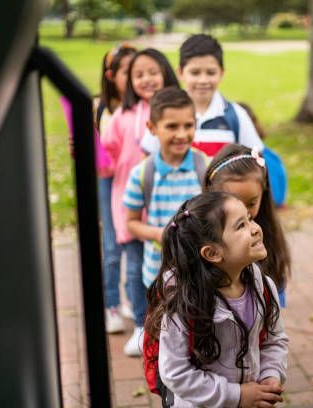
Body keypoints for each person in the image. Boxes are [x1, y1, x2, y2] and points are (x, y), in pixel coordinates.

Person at [145, 192, 289, 407]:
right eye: (241, 226)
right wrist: (236, 396)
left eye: (249, 218)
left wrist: (270, 375)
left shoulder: (264, 287)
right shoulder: (184, 304)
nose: (256, 228)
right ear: (212, 253)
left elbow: (274, 339)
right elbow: (176, 373)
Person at [101, 48, 179, 357]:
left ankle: (175, 325)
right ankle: (140, 327)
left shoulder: (176, 110)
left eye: (152, 72)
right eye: (138, 74)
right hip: (131, 206)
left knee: (172, 268)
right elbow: (106, 164)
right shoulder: (122, 117)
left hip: (167, 204)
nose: (146, 79)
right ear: (129, 82)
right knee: (135, 269)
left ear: (165, 73)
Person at [123, 87, 205, 289]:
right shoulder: (142, 174)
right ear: (152, 128)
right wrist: (157, 233)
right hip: (158, 275)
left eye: (188, 126)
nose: (182, 134)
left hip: (201, 272)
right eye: (172, 126)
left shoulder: (204, 166)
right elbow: (131, 223)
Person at [204, 144, 291, 307]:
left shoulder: (268, 239)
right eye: (234, 203)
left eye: (251, 203)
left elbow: (277, 303)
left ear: (262, 195)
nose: (243, 212)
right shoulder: (204, 245)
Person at [96, 44, 136, 333]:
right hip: (109, 180)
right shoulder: (100, 106)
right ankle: (111, 303)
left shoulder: (143, 106)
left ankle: (132, 298)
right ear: (111, 75)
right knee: (112, 246)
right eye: (127, 72)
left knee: (135, 242)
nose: (133, 77)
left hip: (135, 178)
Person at [177, 34, 265, 157]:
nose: (203, 80)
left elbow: (255, 159)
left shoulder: (237, 115)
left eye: (211, 72)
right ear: (180, 73)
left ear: (221, 73)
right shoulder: (168, 113)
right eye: (195, 73)